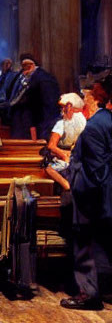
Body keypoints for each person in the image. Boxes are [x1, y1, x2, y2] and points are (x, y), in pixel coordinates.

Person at [61, 75, 112, 310]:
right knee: (103, 246)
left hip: (92, 198)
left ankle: (89, 294)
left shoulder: (95, 127)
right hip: (105, 198)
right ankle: (105, 289)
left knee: (86, 246)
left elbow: (96, 171)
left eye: (87, 95)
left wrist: (78, 189)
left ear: (97, 97)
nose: (84, 99)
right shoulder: (106, 122)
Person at [8, 53, 60, 141]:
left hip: (37, 122)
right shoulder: (22, 76)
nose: (25, 69)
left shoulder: (45, 79)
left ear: (33, 65)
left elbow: (49, 104)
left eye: (27, 65)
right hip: (22, 120)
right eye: (23, 66)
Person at [44, 93, 87, 191]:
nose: (62, 111)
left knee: (48, 169)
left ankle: (67, 185)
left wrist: (64, 155)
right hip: (74, 157)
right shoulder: (84, 121)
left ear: (69, 106)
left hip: (67, 158)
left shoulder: (62, 123)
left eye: (63, 107)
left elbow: (51, 145)